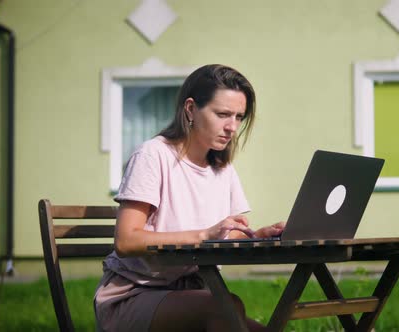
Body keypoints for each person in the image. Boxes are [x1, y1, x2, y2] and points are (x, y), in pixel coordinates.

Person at [94, 64, 285, 332]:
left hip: (193, 294)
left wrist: (257, 236)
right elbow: (127, 240)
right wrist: (204, 234)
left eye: (239, 117)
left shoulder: (222, 168)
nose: (232, 127)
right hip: (134, 296)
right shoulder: (153, 156)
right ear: (191, 109)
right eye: (222, 114)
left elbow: (225, 235)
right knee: (226, 308)